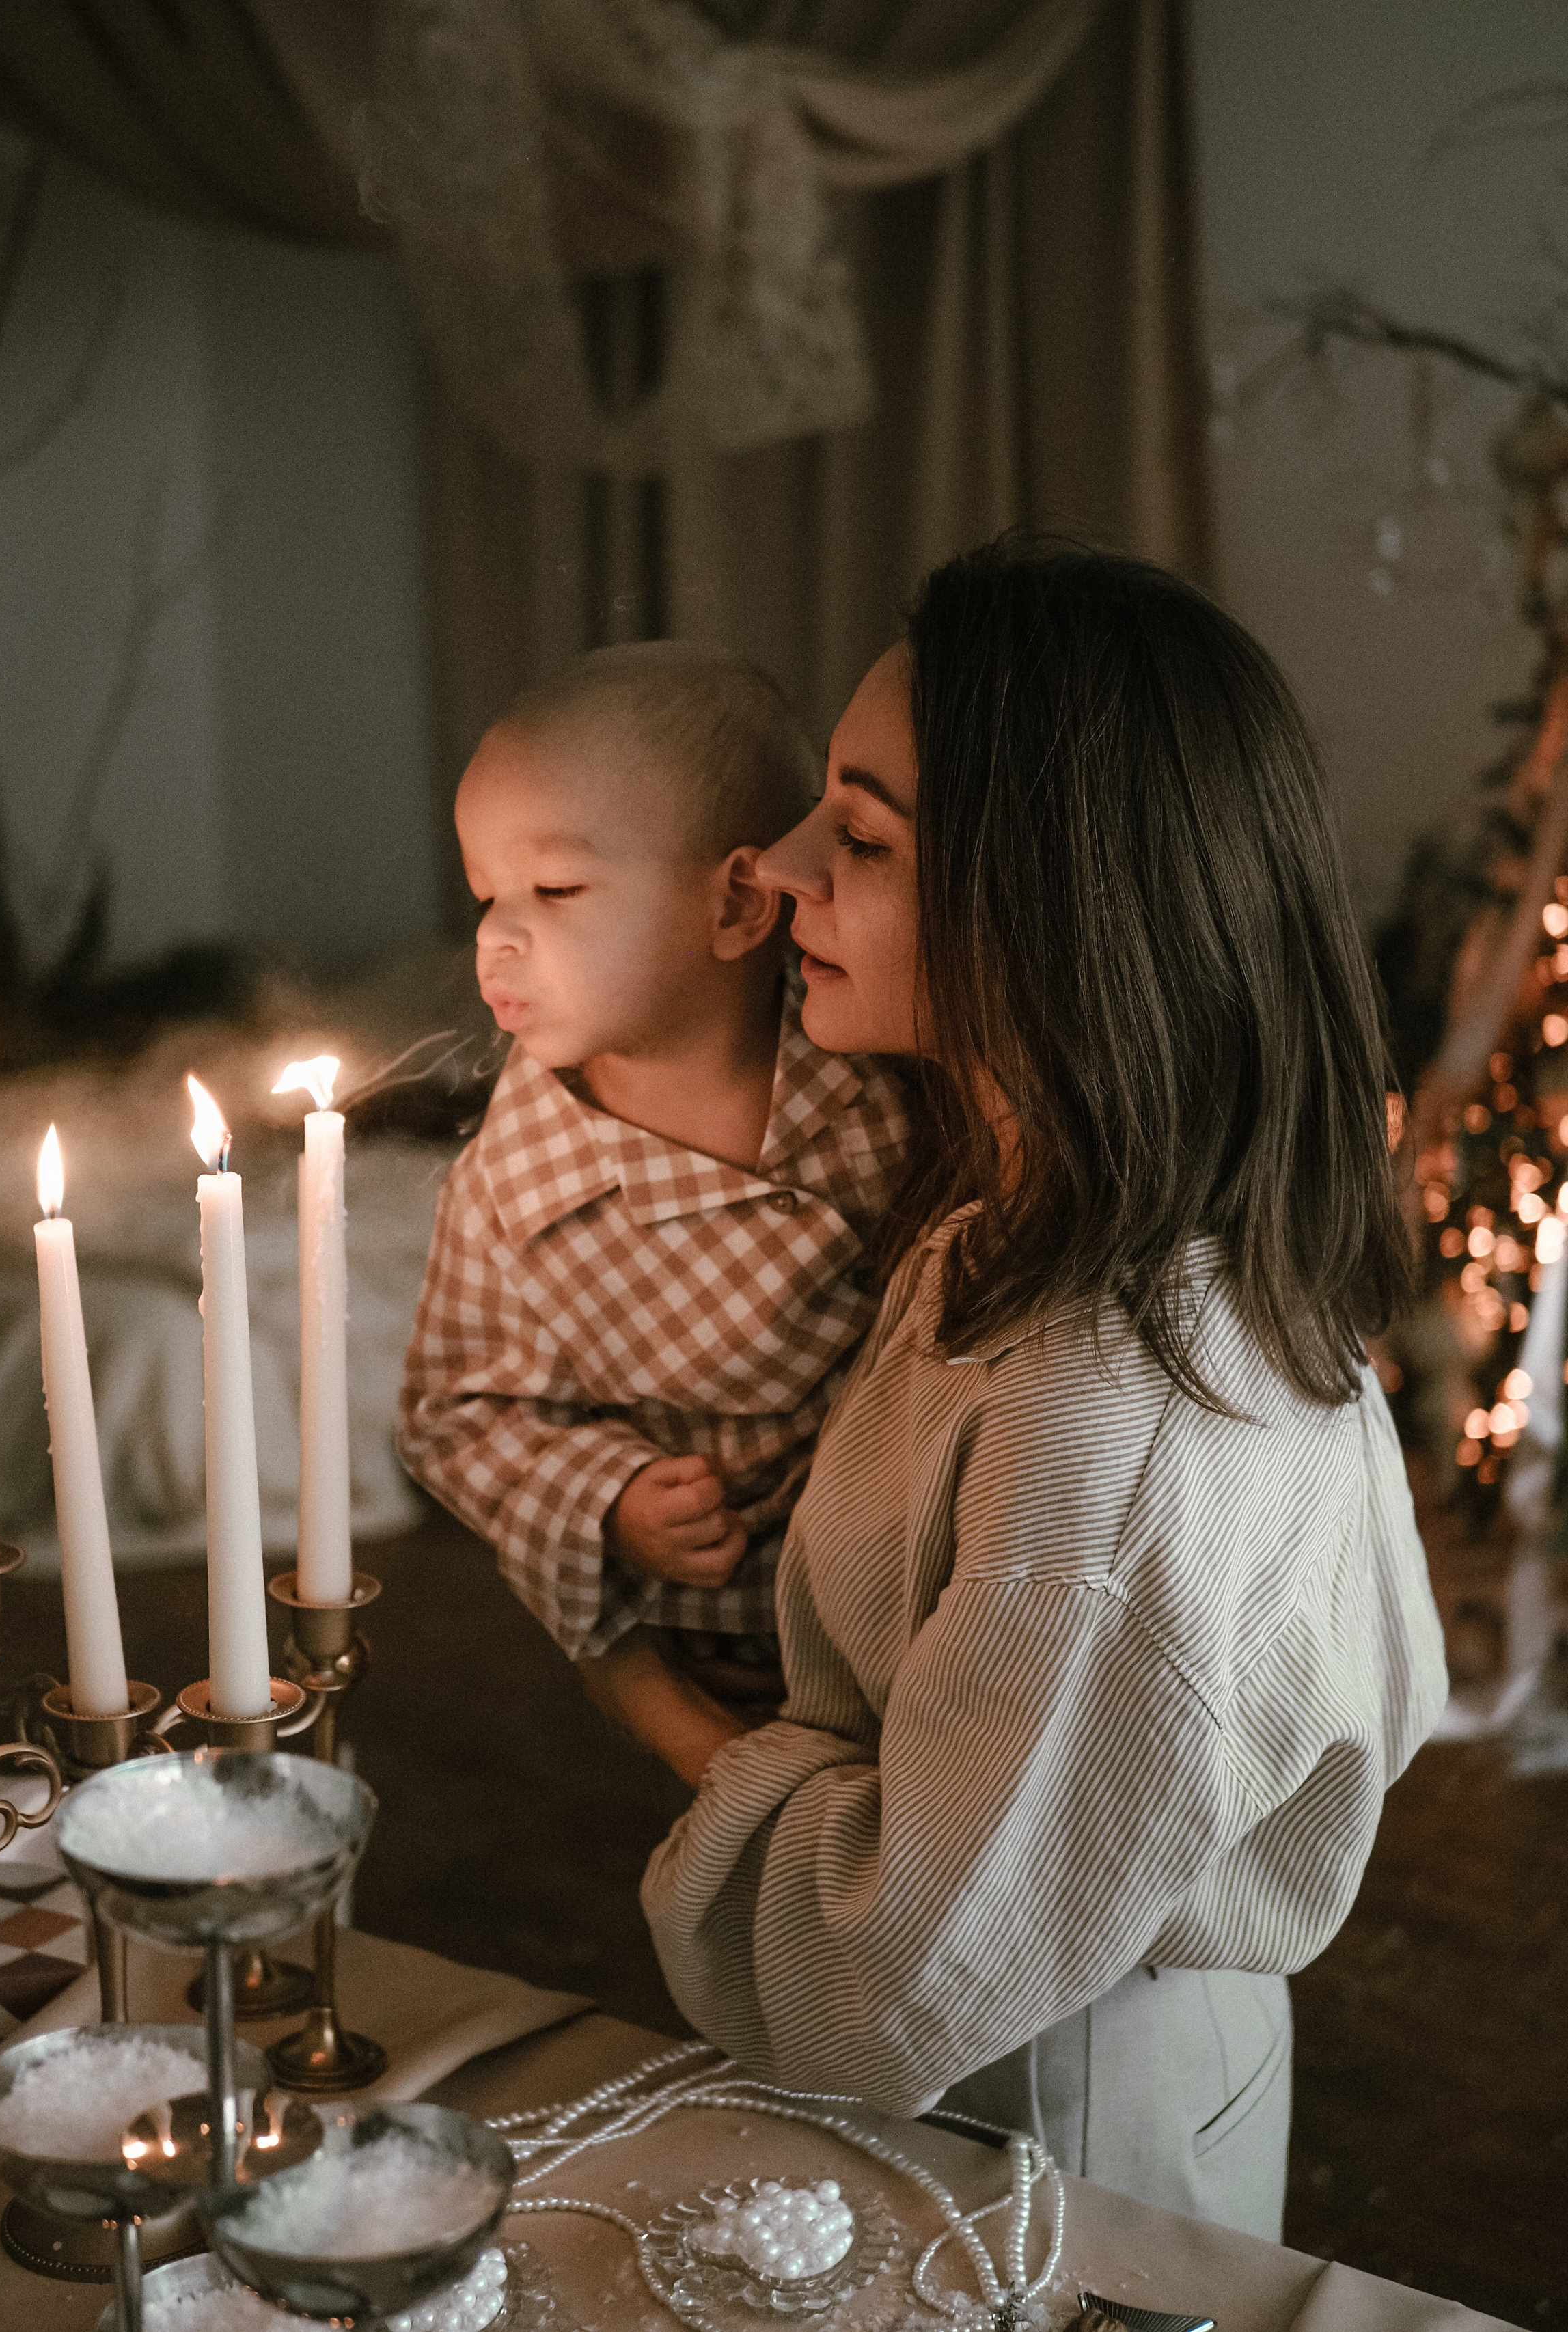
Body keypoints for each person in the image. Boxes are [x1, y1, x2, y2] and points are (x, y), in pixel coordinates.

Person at [582, 543, 1448, 2240]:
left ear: (1049, 910)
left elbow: (888, 1970)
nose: (777, 868)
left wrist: (664, 1716)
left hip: (1041, 2098)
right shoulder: (1049, 1225)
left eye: (864, 840)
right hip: (1051, 2015)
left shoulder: (1109, 1416)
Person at [400, 642, 911, 1708]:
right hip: (709, 1645)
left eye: (555, 888)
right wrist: (612, 1494)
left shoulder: (880, 1081)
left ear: (736, 906)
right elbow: (456, 1413)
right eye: (487, 895)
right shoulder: (508, 1189)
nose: (495, 937)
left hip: (901, 1616)